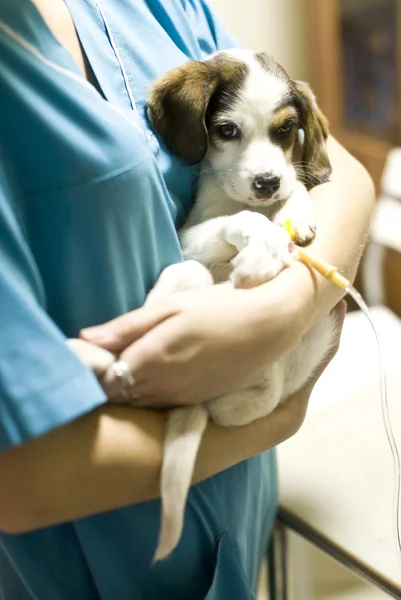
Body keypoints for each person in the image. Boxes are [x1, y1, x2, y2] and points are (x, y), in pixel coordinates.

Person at [0, 1, 373, 598]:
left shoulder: (162, 8)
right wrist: (279, 418)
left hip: (241, 506)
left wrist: (279, 312)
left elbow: (346, 176)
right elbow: (20, 482)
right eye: (227, 132)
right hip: (93, 556)